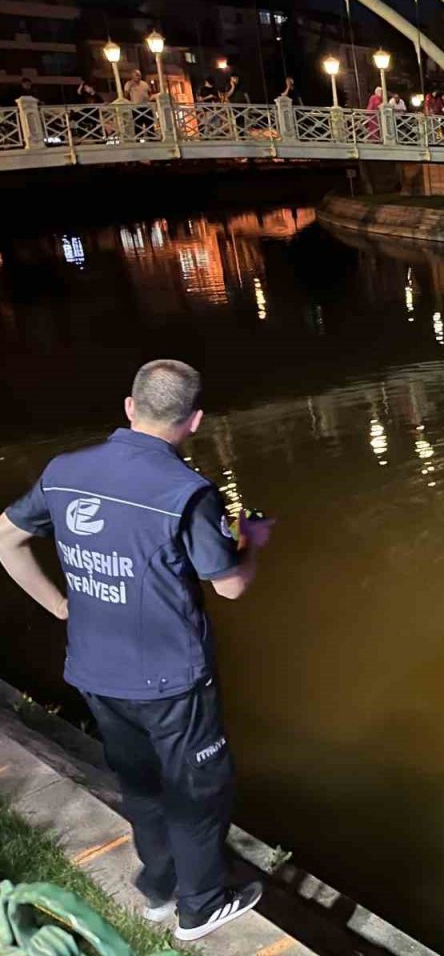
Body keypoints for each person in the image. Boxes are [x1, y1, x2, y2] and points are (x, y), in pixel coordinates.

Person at [0, 360, 273, 941]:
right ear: (194, 421)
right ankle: (200, 907)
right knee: (199, 787)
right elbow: (228, 585)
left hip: (95, 670)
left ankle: (158, 889)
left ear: (129, 406)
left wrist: (58, 606)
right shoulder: (186, 492)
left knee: (140, 782)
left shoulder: (64, 470)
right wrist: (252, 543)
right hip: (171, 679)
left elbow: (5, 539)